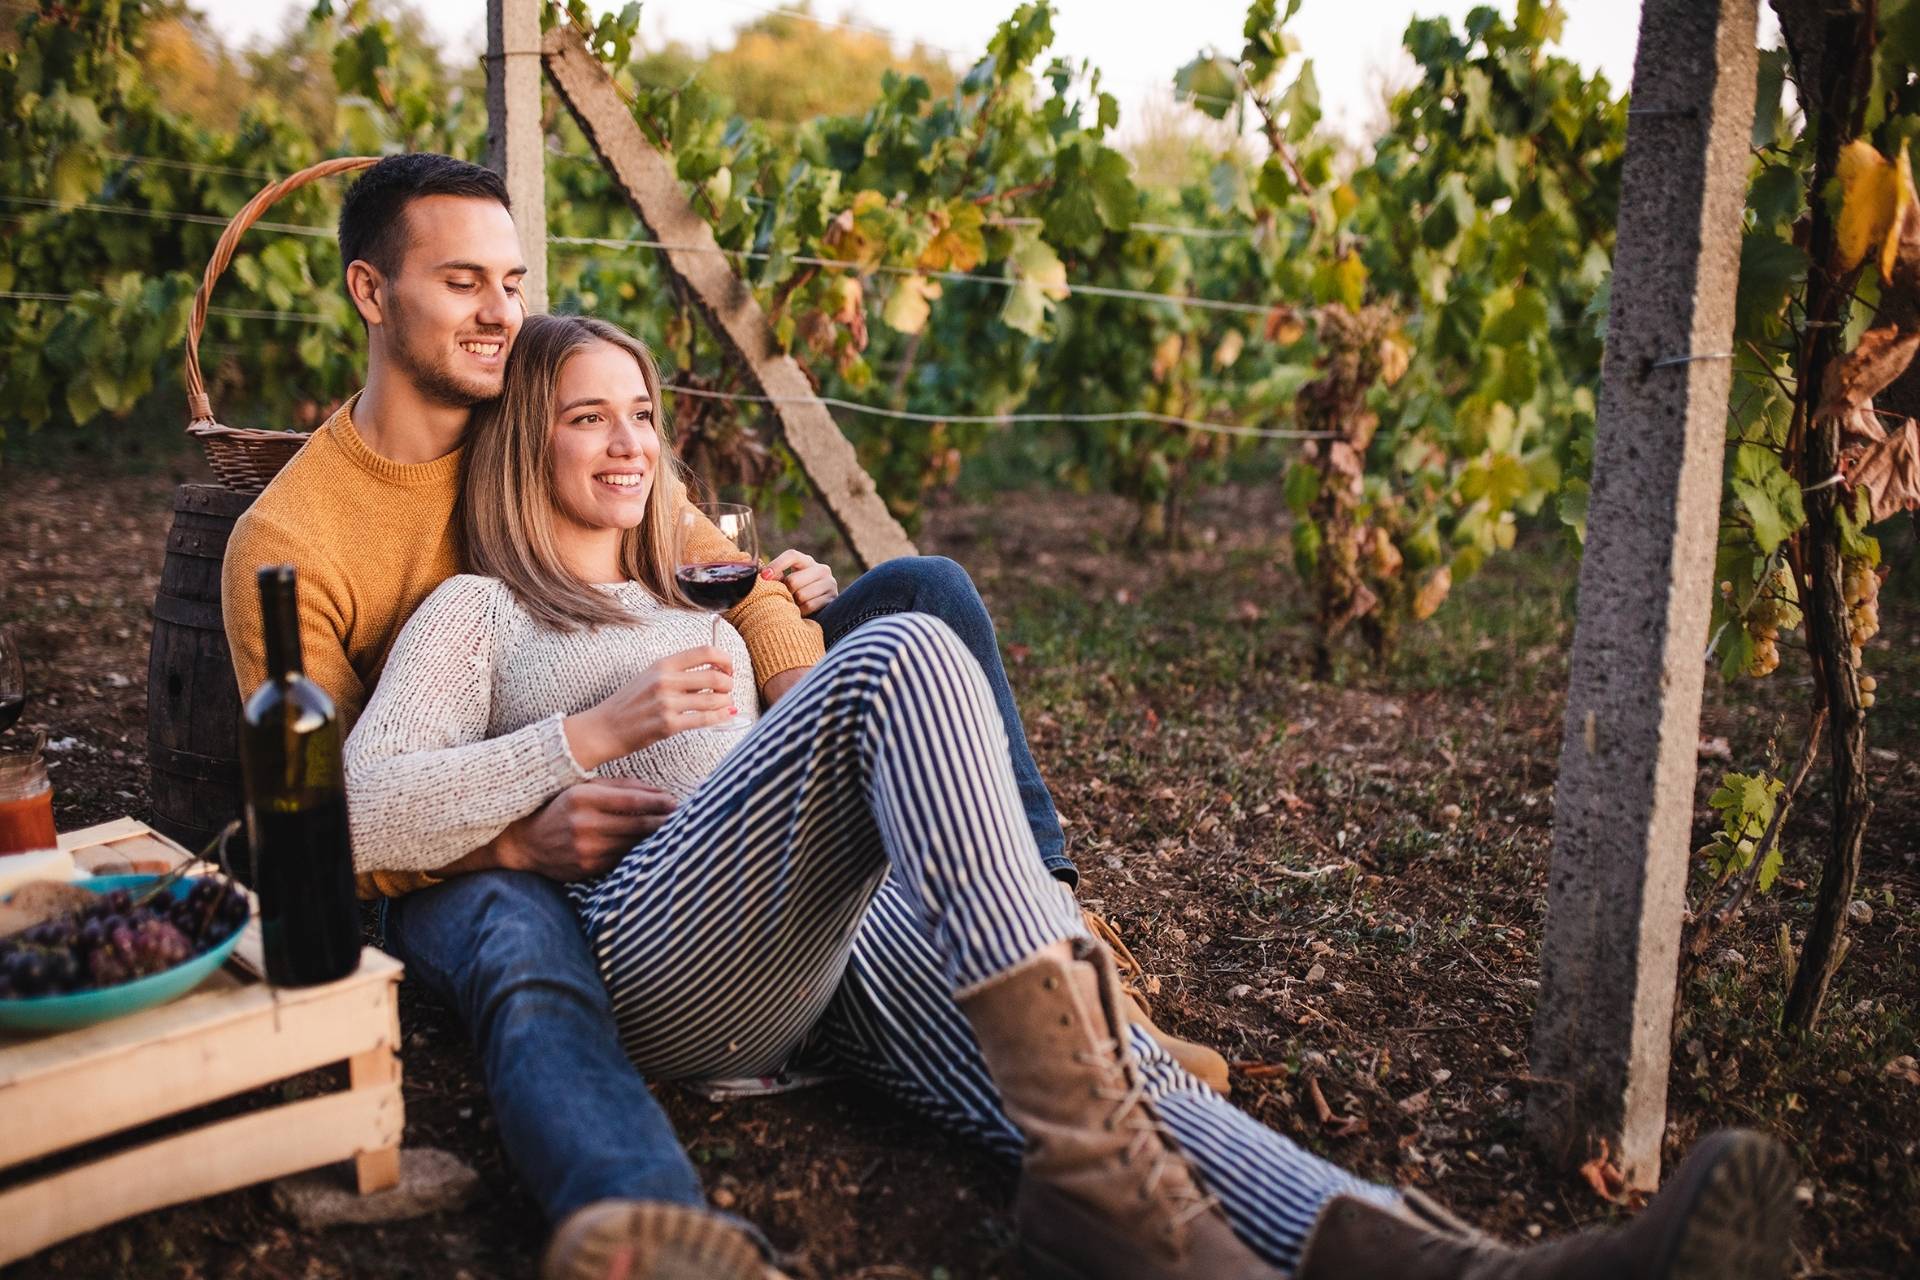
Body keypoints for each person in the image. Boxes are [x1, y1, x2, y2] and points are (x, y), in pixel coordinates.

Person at [342, 309, 1799, 1280]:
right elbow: (357, 808)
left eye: (644, 415)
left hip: (823, 957)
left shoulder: (699, 593)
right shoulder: (483, 610)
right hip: (653, 950)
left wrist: (765, 626)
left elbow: (820, 766)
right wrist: (588, 736)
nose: (630, 443)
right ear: (523, 434)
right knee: (907, 645)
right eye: (588, 418)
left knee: (1111, 1080)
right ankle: (1102, 1151)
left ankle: (1468, 1266)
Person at [219, 152, 1221, 1280]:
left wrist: (798, 707)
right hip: (465, 852)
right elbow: (325, 815)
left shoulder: (550, 402)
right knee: (516, 926)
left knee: (925, 593)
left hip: (671, 803)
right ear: (370, 292)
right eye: (463, 283)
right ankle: (638, 1212)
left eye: (512, 279)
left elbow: (715, 568)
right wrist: (518, 834)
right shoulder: (292, 541)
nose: (502, 312)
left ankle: (1079, 970)